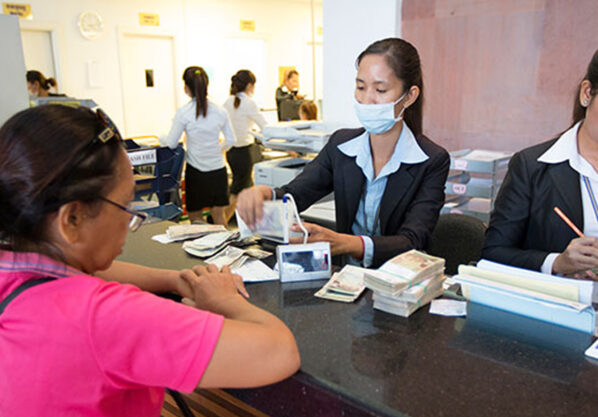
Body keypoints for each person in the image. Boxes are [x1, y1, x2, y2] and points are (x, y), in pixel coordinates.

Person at [0, 104, 300, 417]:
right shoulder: (102, 317)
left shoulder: (16, 271)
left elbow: (89, 269)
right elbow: (278, 352)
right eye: (125, 205)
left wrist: (174, 279)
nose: (131, 219)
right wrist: (222, 298)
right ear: (71, 219)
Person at [238, 38, 450, 269]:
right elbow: (297, 194)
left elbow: (413, 240)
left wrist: (347, 243)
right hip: (345, 275)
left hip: (398, 279)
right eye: (361, 87)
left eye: (380, 90)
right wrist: (266, 194)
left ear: (409, 96)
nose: (366, 100)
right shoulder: (341, 145)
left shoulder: (431, 161)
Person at [483, 50, 598, 278]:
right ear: (587, 93)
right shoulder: (532, 167)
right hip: (559, 297)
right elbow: (493, 252)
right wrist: (557, 263)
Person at [163, 66, 235, 225]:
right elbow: (231, 140)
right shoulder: (220, 111)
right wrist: (217, 150)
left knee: (195, 218)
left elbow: (171, 143)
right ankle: (223, 242)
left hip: (196, 172)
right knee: (219, 217)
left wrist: (163, 139)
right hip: (218, 170)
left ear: (186, 88)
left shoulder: (184, 112)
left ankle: (202, 242)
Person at [223, 69, 267, 222]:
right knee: (238, 191)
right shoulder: (249, 103)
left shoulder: (227, 102)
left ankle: (248, 223)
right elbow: (265, 126)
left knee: (242, 188)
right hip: (244, 153)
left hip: (231, 152)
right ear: (249, 85)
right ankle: (222, 223)